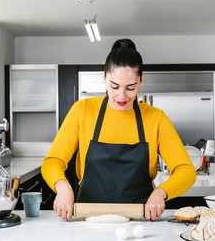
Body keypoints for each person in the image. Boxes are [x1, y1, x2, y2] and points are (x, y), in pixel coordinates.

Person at [41, 38, 196, 221]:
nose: (121, 96)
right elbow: (53, 161)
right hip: (89, 221)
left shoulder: (156, 118)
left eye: (131, 88)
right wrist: (62, 187)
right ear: (104, 77)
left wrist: (161, 192)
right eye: (114, 86)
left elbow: (186, 171)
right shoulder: (82, 111)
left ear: (141, 81)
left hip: (140, 223)